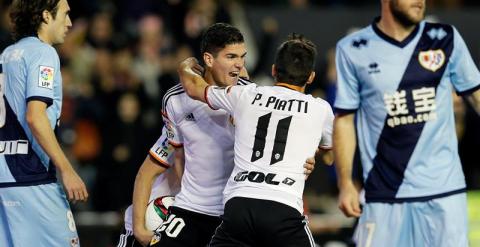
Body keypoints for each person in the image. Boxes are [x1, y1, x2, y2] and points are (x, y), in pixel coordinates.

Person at [146, 24, 317, 247]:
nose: (240, 64)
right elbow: (179, 154)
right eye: (231, 56)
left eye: (242, 57)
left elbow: (279, 140)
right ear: (208, 59)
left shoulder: (251, 97)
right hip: (191, 208)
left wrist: (303, 160)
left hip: (233, 211)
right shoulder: (174, 100)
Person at [333, 0, 480, 246]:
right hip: (384, 195)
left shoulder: (445, 38)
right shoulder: (352, 49)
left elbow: (476, 96)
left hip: (444, 192)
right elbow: (345, 120)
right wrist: (346, 183)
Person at [0, 0, 88, 246]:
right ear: (46, 16)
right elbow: (35, 116)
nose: (70, 23)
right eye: (66, 14)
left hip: (4, 178)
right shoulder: (43, 53)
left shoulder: (6, 54)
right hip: (32, 176)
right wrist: (67, 170)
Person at [116, 126, 183, 247]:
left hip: (188, 224)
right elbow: (144, 176)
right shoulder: (177, 131)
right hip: (148, 221)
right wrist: (139, 230)